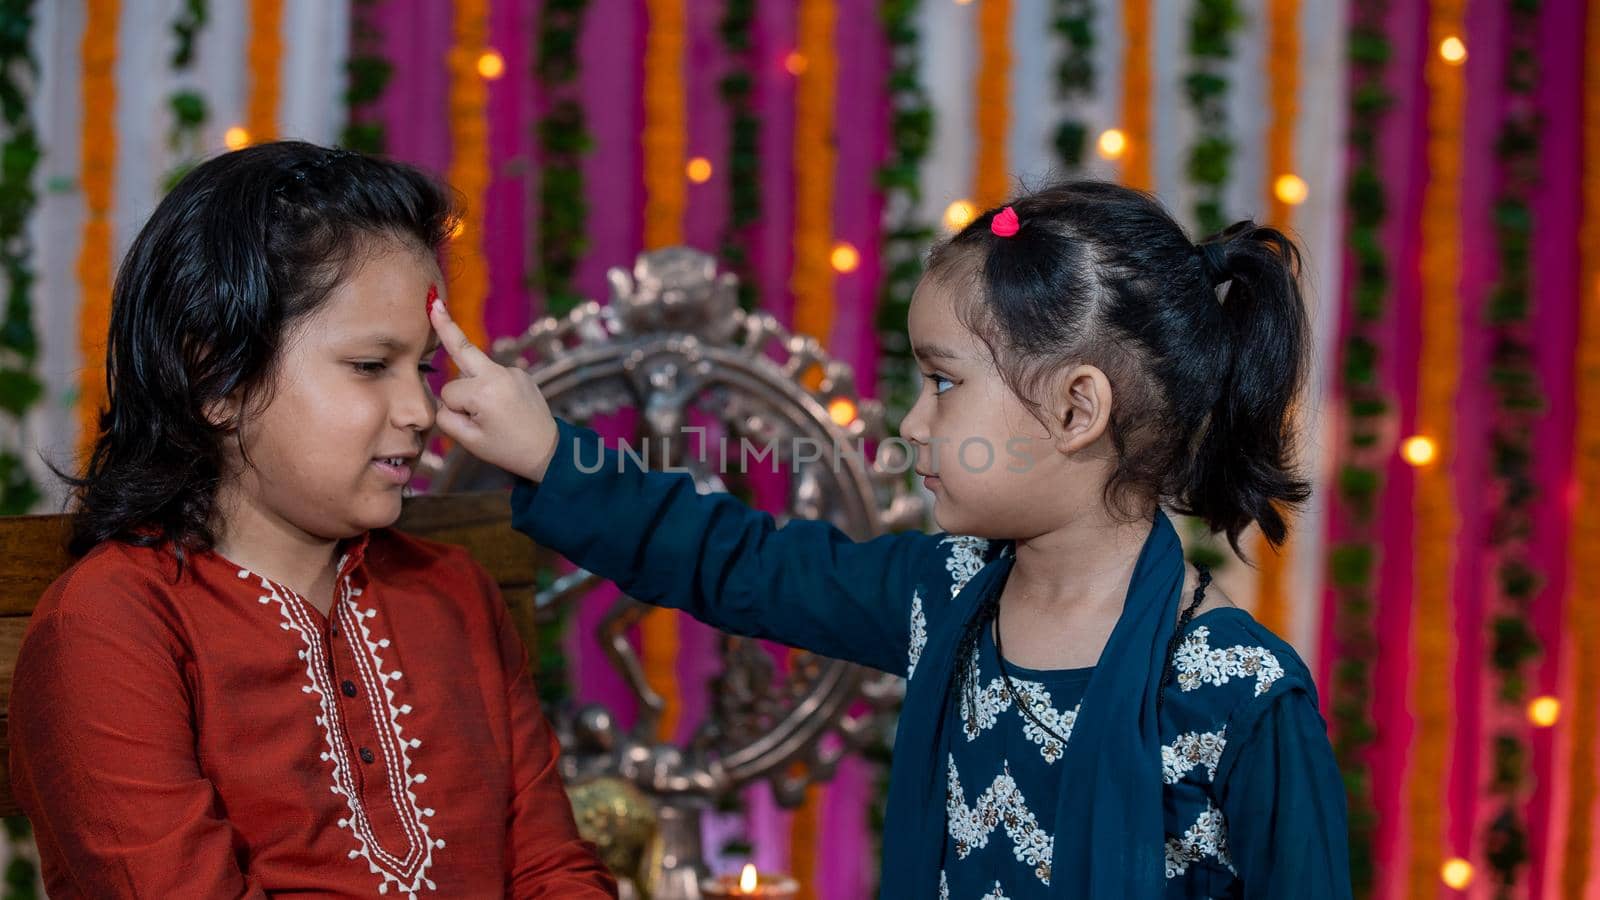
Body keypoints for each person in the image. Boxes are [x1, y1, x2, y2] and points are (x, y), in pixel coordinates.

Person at [427, 181, 1352, 898]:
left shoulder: (1240, 694)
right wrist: (550, 455)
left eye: (943, 384)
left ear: (1076, 408)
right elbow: (731, 560)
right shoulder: (941, 595)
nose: (910, 425)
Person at [10, 141, 616, 899]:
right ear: (216, 379)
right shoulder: (113, 627)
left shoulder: (453, 594)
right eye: (370, 366)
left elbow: (554, 871)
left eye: (423, 368)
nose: (420, 410)